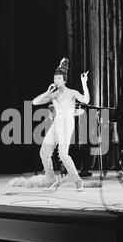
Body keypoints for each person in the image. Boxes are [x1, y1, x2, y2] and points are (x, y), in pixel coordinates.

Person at [32, 58, 90, 192]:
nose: (56, 80)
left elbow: (86, 100)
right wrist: (47, 93)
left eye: (58, 78)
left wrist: (84, 83)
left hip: (66, 125)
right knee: (44, 152)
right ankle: (52, 181)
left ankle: (78, 181)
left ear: (64, 80)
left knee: (63, 154)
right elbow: (35, 102)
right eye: (55, 78)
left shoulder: (72, 93)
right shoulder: (53, 94)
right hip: (56, 124)